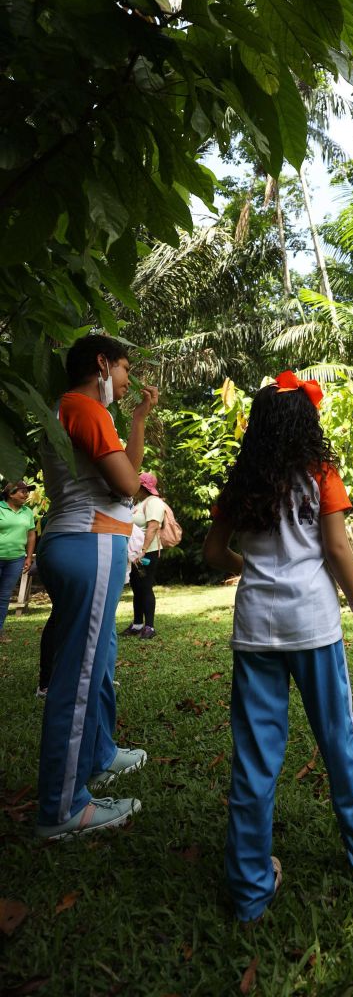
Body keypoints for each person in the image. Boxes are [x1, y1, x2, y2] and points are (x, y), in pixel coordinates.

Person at [203, 370, 353, 924]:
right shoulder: (321, 472)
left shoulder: (241, 480)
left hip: (254, 628)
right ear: (304, 423)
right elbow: (337, 546)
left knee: (254, 758)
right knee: (339, 742)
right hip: (313, 626)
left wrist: (248, 567)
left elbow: (213, 551)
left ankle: (249, 890)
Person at [35, 333, 159, 840]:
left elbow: (122, 474)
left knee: (96, 657)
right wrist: (127, 425)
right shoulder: (84, 408)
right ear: (103, 364)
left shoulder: (72, 409)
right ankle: (63, 808)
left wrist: (137, 421)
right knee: (80, 677)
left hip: (77, 539)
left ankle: (97, 755)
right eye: (125, 369)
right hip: (90, 541)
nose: (127, 381)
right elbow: (128, 484)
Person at [122, 472, 167, 640]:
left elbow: (153, 526)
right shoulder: (140, 503)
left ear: (142, 486)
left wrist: (144, 549)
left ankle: (150, 626)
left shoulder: (154, 502)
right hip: (136, 553)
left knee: (145, 587)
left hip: (148, 551)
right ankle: (137, 624)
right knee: (137, 587)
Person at [0, 481, 37, 639]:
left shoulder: (27, 512)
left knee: (4, 596)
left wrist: (28, 557)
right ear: (10, 493)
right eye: (22, 491)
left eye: (27, 491)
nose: (26, 494)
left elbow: (31, 534)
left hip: (16, 559)